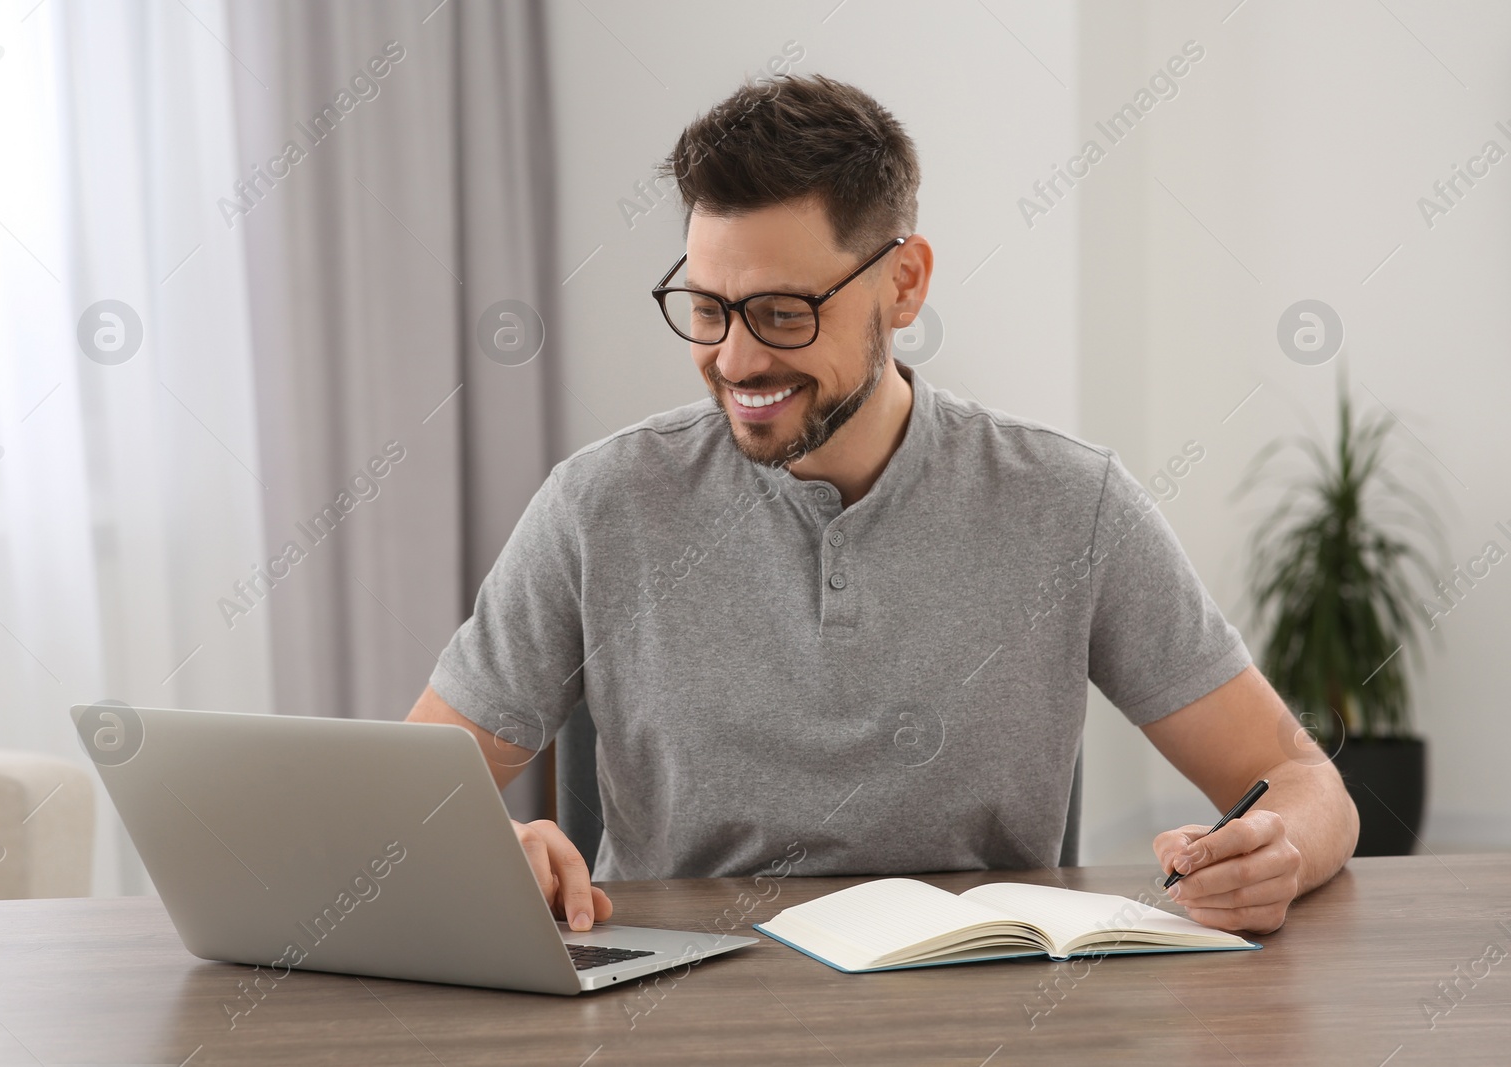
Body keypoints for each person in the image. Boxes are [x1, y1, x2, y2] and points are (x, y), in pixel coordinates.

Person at [408, 73, 1357, 938]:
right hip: (679, 1013)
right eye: (706, 308)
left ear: (903, 285)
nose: (735, 361)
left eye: (784, 313)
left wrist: (1278, 846)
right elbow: (404, 801)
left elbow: (1310, 785)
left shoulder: (1070, 504)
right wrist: (495, 851)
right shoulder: (598, 505)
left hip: (983, 1016)